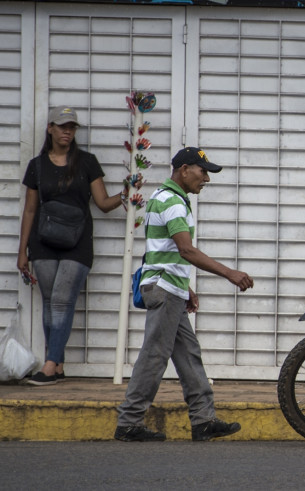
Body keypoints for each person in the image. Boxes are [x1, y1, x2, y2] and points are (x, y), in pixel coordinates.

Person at [114, 147, 253, 442]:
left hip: (169, 287)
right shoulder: (173, 202)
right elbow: (185, 250)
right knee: (154, 356)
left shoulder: (163, 198)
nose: (206, 179)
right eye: (203, 172)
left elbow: (160, 250)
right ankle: (128, 422)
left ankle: (203, 420)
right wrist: (231, 274)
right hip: (164, 289)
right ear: (185, 169)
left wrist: (184, 286)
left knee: (188, 354)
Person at [17, 106, 134, 386]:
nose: (67, 131)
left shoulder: (87, 162)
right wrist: (22, 251)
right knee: (49, 302)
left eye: (71, 127)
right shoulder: (37, 165)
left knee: (60, 301)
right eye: (61, 126)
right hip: (43, 241)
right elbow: (30, 210)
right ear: (50, 129)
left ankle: (48, 364)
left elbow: (104, 204)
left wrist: (127, 193)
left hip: (77, 242)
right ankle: (57, 365)